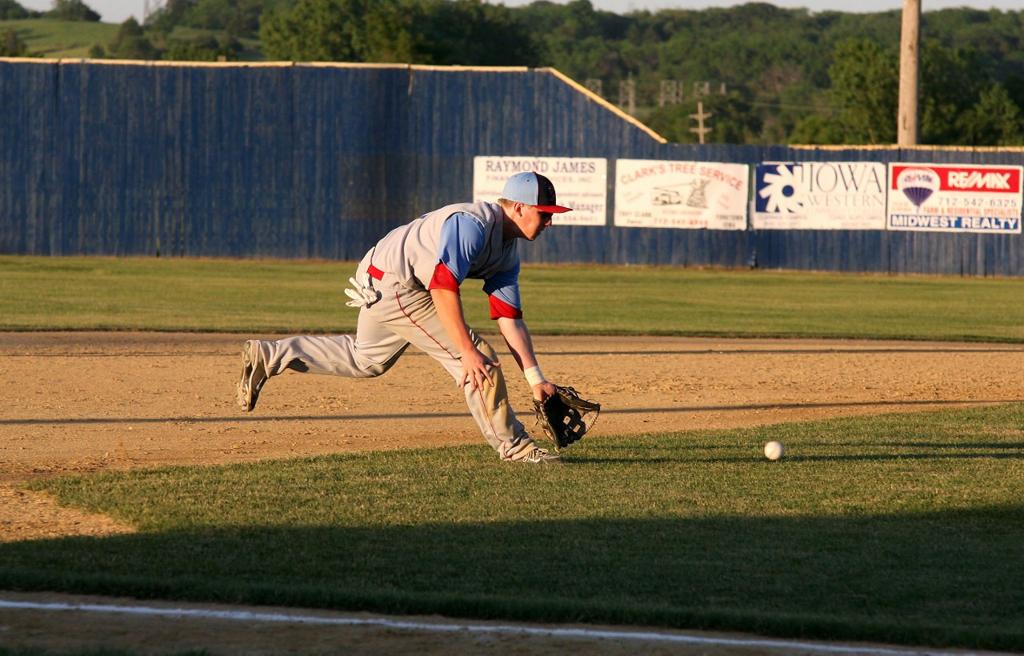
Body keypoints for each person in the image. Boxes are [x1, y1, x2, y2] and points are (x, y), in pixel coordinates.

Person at [236, 171, 572, 464]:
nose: (549, 222)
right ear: (518, 207)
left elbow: (509, 318)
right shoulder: (473, 224)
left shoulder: (507, 254)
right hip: (398, 282)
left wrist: (535, 379)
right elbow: (443, 289)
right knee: (477, 358)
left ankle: (271, 354)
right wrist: (466, 353)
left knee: (366, 360)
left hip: (385, 275)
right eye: (544, 214)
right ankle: (515, 447)